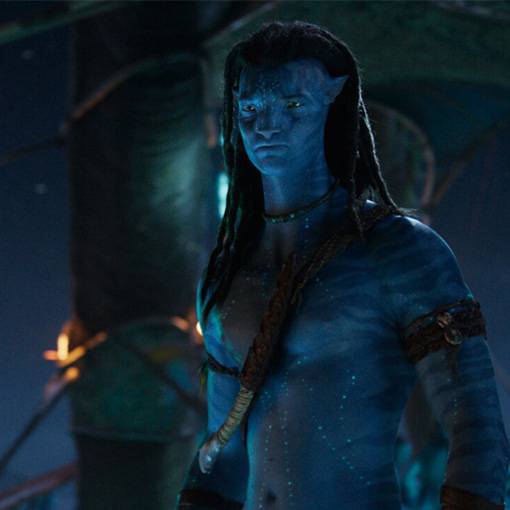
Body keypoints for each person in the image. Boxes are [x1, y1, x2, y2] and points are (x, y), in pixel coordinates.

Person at [177, 21, 509, 509]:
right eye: (250, 108)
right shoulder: (227, 274)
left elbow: (476, 430)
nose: (267, 125)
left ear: (332, 100)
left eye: (292, 106)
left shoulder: (399, 250)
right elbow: (221, 455)